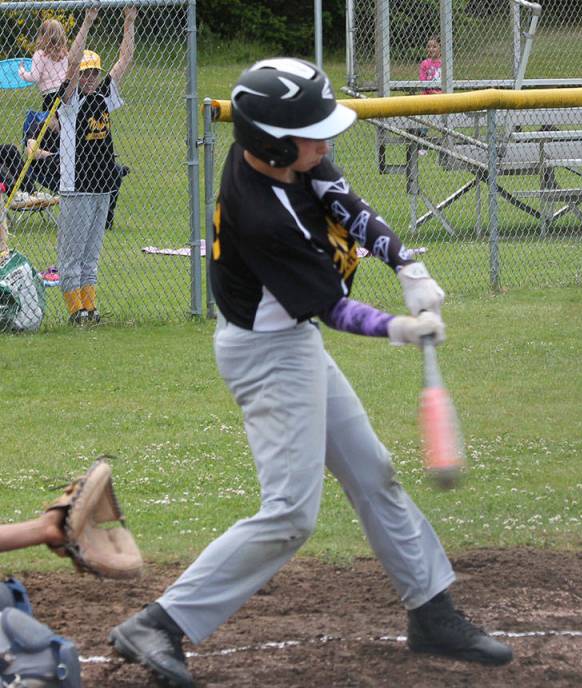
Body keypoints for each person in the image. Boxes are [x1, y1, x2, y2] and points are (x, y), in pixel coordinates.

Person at [107, 58, 513, 688]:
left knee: (372, 471)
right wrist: (399, 328)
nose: (325, 144)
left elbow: (344, 202)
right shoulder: (263, 212)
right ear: (271, 141)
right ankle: (158, 623)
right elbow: (330, 305)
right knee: (291, 512)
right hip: (267, 356)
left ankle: (431, 610)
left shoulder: (287, 155)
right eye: (312, 134)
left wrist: (406, 264)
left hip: (291, 342)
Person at [54, 5, 136, 326]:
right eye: (85, 73)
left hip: (103, 184)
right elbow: (72, 63)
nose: (89, 78)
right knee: (71, 256)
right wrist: (88, 20)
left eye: (93, 73)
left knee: (91, 254)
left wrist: (128, 22)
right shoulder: (71, 100)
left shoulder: (104, 93)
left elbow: (125, 60)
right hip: (77, 186)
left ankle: (90, 310)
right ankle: (75, 312)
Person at [18, 18, 69, 104]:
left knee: (50, 117)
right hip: (66, 92)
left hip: (50, 96)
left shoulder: (40, 55)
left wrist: (22, 71)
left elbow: (34, 77)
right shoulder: (65, 54)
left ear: (42, 36)